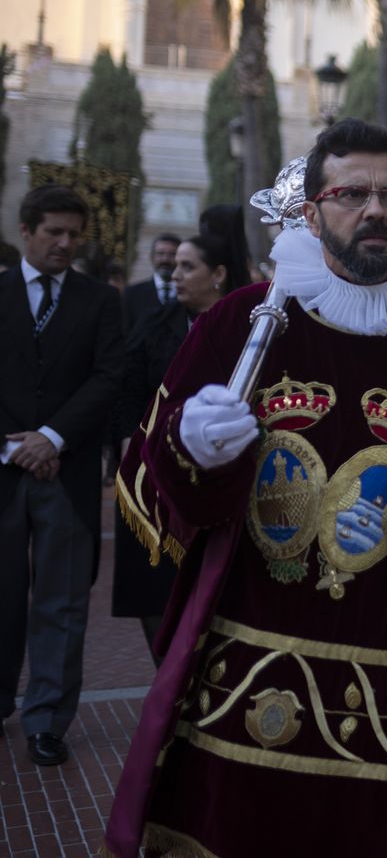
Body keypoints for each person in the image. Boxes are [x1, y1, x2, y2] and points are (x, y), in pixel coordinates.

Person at [103, 119, 387, 857]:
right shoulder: (240, 323)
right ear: (312, 211)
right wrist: (193, 451)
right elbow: (157, 480)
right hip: (247, 681)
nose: (373, 208)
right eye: (351, 192)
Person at [1, 185, 124, 768]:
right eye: (53, 231)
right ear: (26, 231)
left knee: (62, 603)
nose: (65, 243)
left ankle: (48, 719)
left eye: (73, 233)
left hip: (66, 473)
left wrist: (51, 437)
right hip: (2, 469)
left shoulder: (99, 300)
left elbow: (108, 376)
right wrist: (17, 444)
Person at [114, 233, 245, 661]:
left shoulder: (251, 328)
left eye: (188, 267)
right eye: (175, 266)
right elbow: (127, 389)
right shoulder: (154, 323)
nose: (176, 275)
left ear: (219, 274)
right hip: (154, 481)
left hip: (227, 485)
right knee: (154, 591)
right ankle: (165, 680)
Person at [122, 233, 181, 337]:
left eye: (172, 254)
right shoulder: (132, 293)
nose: (165, 260)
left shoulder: (190, 294)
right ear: (152, 257)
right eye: (160, 253)